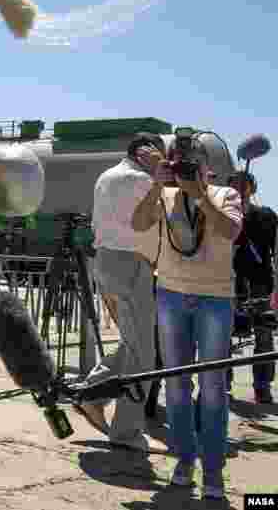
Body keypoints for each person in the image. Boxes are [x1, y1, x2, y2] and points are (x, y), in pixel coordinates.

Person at [132, 136, 243, 500]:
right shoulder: (163, 196)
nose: (184, 172)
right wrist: (155, 184)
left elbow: (230, 230)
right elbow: (138, 223)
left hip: (215, 299)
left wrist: (199, 194)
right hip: (171, 295)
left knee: (213, 387)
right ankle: (184, 459)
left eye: (190, 166)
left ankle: (212, 469)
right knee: (176, 384)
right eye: (179, 165)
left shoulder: (226, 195)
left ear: (206, 168)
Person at [76, 133, 167, 453]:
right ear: (144, 153)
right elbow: (158, 218)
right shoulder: (139, 179)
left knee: (134, 346)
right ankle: (126, 433)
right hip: (132, 264)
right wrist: (162, 179)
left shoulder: (108, 175)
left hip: (109, 261)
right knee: (144, 355)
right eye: (160, 154)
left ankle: (90, 393)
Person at [229, 170, 277, 403]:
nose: (239, 188)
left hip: (260, 284)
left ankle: (262, 386)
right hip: (227, 283)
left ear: (252, 188)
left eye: (243, 184)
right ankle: (223, 387)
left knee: (264, 337)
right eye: (234, 184)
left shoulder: (267, 215)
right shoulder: (223, 215)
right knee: (221, 338)